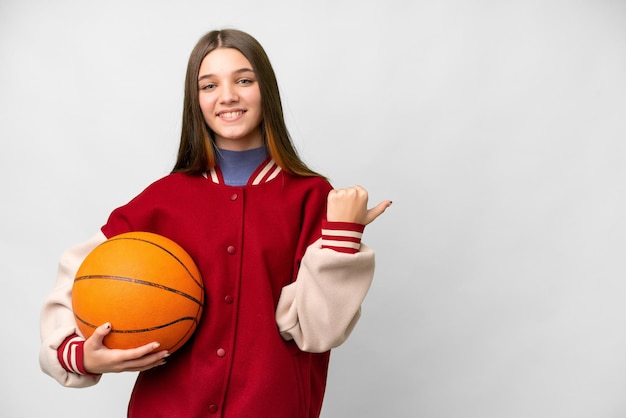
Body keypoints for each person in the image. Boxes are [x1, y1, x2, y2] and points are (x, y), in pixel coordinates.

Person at [39, 28, 391, 418]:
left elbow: (317, 332)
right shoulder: (164, 198)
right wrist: (81, 355)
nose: (228, 96)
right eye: (209, 85)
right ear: (197, 101)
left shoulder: (311, 197)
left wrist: (342, 238)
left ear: (266, 92)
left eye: (244, 80)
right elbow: (79, 276)